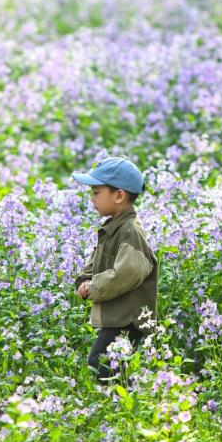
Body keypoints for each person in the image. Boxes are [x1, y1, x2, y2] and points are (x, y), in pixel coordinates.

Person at [70, 155, 158, 385]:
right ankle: (121, 405)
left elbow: (127, 273)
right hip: (117, 317)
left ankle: (122, 407)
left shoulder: (130, 231)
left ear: (119, 195)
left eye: (97, 192)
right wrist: (84, 279)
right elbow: (98, 261)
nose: (92, 199)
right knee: (110, 365)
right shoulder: (113, 228)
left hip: (128, 319)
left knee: (101, 363)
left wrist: (94, 286)